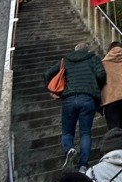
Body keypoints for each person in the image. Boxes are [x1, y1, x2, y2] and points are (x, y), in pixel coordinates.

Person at [44, 41, 106, 170]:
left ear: (75, 50)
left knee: (67, 131)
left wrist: (53, 91)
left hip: (69, 99)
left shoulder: (65, 60)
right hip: (88, 98)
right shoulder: (93, 59)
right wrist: (95, 87)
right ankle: (83, 165)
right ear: (87, 50)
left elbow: (48, 74)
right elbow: (101, 75)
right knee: (85, 133)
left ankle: (69, 149)